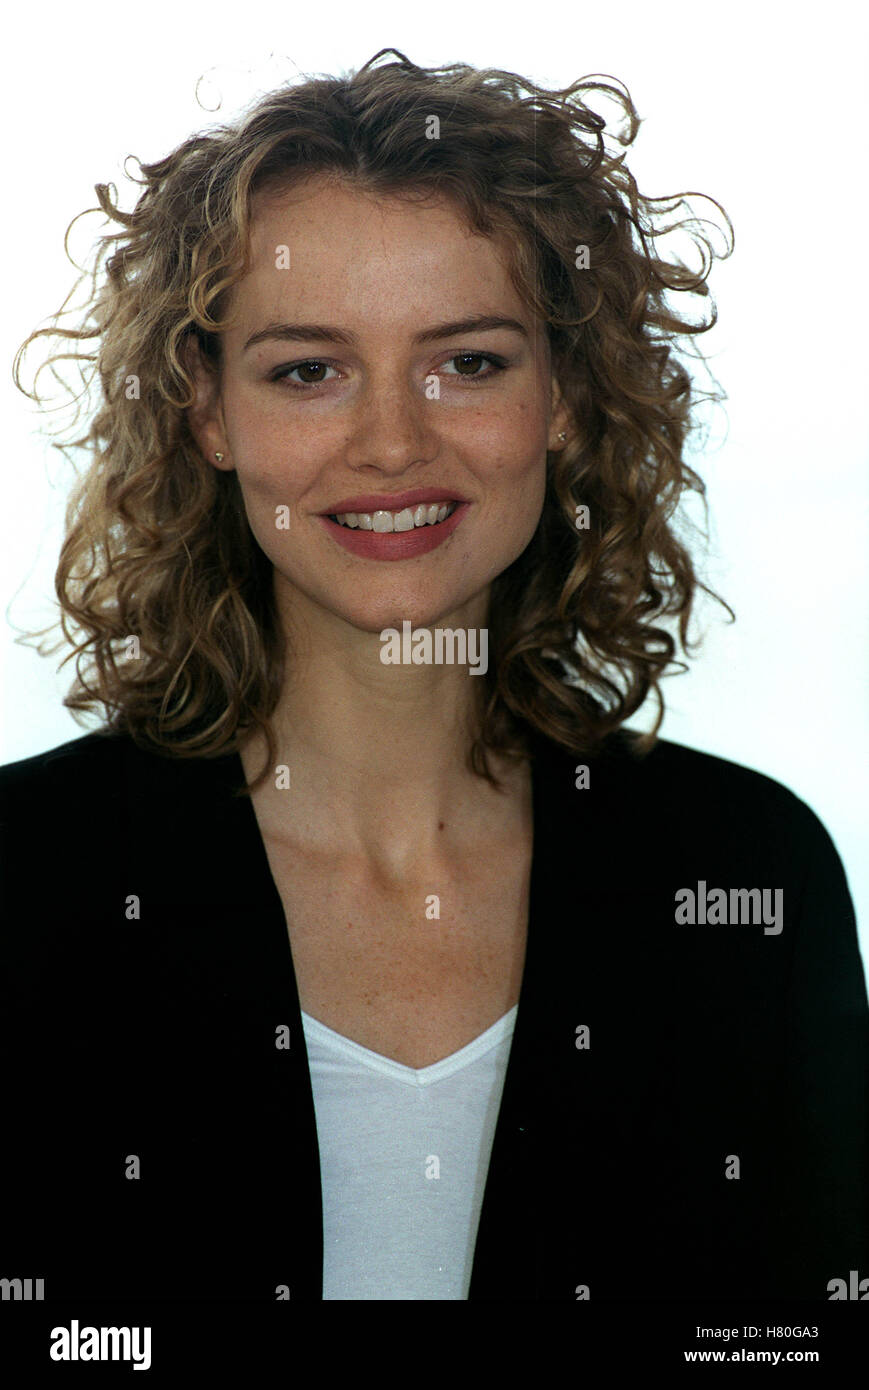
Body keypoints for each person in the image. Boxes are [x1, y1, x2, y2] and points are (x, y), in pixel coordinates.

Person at [1, 49, 866, 1304]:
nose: (394, 440)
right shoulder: (25, 876)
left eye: (467, 362)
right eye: (308, 369)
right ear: (207, 412)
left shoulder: (743, 871)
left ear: (563, 395)